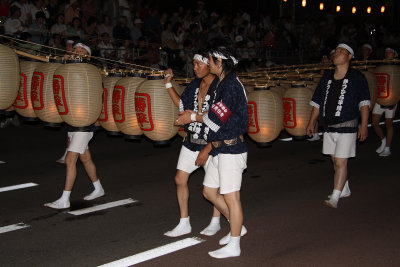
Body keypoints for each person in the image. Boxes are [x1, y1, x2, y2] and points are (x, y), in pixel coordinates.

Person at [175, 47, 249, 258]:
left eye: (209, 59)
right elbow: (214, 113)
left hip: (232, 148)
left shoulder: (231, 86)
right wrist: (196, 115)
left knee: (231, 197)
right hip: (220, 147)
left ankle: (234, 245)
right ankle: (238, 228)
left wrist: (191, 117)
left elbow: (215, 119)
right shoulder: (224, 84)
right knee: (209, 191)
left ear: (219, 62)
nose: (207, 63)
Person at [163, 53, 221, 238]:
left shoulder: (221, 86)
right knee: (180, 179)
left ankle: (216, 220)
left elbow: (220, 116)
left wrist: (193, 116)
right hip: (192, 139)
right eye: (193, 64)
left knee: (213, 187)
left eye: (198, 64)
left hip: (212, 141)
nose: (194, 68)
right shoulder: (195, 85)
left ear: (209, 65)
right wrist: (168, 84)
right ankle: (184, 222)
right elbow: (182, 104)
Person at [306, 43, 370, 209]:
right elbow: (317, 102)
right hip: (328, 127)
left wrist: (363, 125)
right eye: (336, 51)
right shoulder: (327, 76)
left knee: (341, 162)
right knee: (335, 161)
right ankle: (344, 187)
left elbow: (364, 103)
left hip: (348, 126)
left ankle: (335, 196)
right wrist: (312, 121)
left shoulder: (357, 77)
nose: (337, 53)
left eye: (342, 51)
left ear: (349, 57)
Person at [44, 43, 105, 209]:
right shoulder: (69, 68)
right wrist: (63, 62)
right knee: (85, 158)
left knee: (71, 160)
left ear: (88, 56)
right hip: (73, 121)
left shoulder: (88, 71)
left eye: (82, 51)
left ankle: (64, 199)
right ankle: (98, 188)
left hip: (84, 123)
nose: (77, 52)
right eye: (75, 50)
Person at [371, 47, 398, 157]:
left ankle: (387, 147)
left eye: (390, 52)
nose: (387, 54)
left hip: (392, 99)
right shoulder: (380, 66)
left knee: (388, 124)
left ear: (395, 54)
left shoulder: (397, 68)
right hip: (380, 98)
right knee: (375, 123)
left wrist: (395, 100)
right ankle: (383, 141)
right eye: (386, 52)